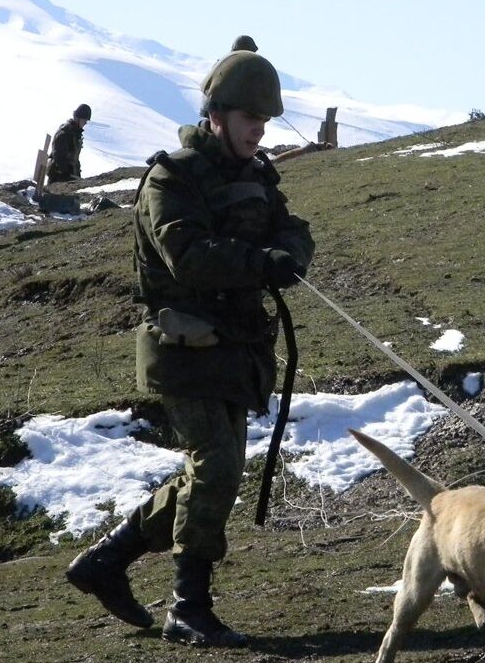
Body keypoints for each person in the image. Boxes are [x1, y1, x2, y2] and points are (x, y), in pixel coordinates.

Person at [65, 51, 313, 648]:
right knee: (219, 468)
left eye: (265, 119)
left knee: (210, 476)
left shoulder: (257, 176)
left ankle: (106, 560)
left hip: (237, 351)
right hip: (183, 350)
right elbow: (189, 256)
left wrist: (289, 254)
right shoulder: (170, 179)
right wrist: (260, 261)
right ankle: (188, 608)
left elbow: (293, 229)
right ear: (217, 115)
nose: (259, 129)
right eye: (250, 116)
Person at [47, 104, 91, 184]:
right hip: (58, 179)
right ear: (78, 118)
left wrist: (77, 173)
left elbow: (74, 158)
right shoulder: (65, 133)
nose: (85, 123)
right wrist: (67, 173)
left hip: (69, 178)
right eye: (85, 120)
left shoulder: (75, 134)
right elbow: (58, 156)